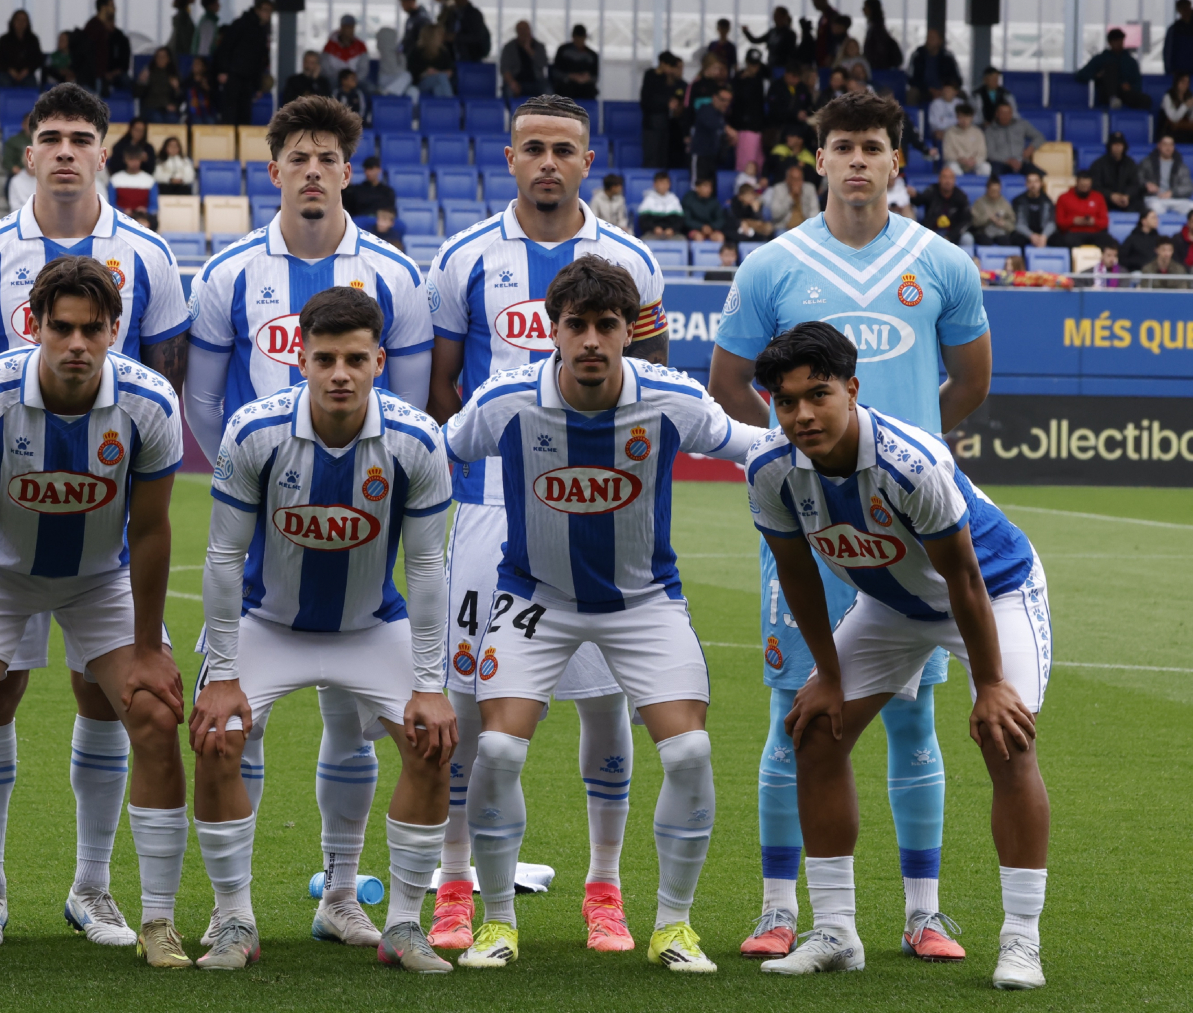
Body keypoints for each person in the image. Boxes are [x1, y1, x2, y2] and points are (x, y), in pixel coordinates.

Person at [710, 89, 993, 967]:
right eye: (843, 146)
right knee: (793, 717)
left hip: (908, 533)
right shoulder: (772, 266)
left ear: (897, 161)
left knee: (915, 725)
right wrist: (795, 469)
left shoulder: (942, 262)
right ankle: (781, 907)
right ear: (819, 160)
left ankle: (924, 913)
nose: (859, 159)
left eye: (874, 145)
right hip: (812, 531)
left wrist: (905, 460)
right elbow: (728, 384)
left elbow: (971, 384)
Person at [442, 254, 762, 972]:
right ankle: (497, 922)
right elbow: (438, 453)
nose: (591, 340)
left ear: (628, 332)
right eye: (576, 325)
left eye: (606, 325)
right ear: (551, 331)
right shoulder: (508, 399)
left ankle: (673, 926)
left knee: (688, 751)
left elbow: (753, 446)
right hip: (534, 601)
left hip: (642, 603)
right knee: (495, 748)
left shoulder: (671, 399)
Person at [0, 91, 187, 953]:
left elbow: (165, 386)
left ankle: (96, 889)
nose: (68, 152)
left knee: (124, 702)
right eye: (52, 138)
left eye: (84, 138)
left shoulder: (150, 257)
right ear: (29, 151)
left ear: (107, 149)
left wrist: (151, 637)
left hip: (101, 554)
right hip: (3, 551)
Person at [183, 96, 433, 955]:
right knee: (231, 720)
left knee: (354, 723)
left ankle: (342, 891)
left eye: (330, 156)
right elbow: (206, 399)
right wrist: (259, 479)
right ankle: (233, 910)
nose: (315, 169)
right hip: (265, 506)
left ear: (349, 169)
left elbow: (411, 402)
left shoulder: (396, 274)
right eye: (300, 156)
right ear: (275, 168)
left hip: (364, 521)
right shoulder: (227, 272)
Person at [424, 93, 669, 957]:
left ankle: (604, 886)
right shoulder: (462, 259)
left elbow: (654, 386)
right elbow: (445, 387)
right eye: (533, 147)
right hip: (492, 509)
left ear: (588, 158)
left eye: (564, 148)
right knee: (465, 700)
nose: (548, 163)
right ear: (510, 156)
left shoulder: (632, 259)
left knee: (605, 705)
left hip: (601, 510)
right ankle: (456, 883)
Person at [744, 321, 1051, 992]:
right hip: (891, 605)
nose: (801, 414)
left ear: (852, 390)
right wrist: (826, 675)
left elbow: (964, 577)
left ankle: (1021, 940)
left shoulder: (911, 459)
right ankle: (835, 930)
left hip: (993, 592)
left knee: (1009, 740)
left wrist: (991, 682)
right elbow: (796, 572)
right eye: (785, 400)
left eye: (817, 394)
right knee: (814, 732)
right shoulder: (770, 470)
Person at [191, 285, 456, 973]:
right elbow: (221, 558)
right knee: (216, 736)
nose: (341, 373)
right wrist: (221, 676)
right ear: (300, 359)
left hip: (371, 625)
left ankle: (402, 924)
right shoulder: (254, 431)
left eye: (356, 359)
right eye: (326, 358)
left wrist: (430, 684)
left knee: (431, 743)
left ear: (380, 361)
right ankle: (233, 918)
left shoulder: (416, 438)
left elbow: (428, 567)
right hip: (268, 622)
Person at [218, 0, 273, 125]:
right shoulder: (241, 25)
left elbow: (260, 61)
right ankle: (229, 141)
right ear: (257, 10)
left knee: (245, 112)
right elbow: (226, 48)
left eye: (270, 11)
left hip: (248, 78)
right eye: (265, 10)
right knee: (230, 112)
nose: (268, 14)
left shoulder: (262, 31)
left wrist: (258, 84)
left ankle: (241, 142)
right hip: (233, 75)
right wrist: (223, 70)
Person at [1077, 28, 1149, 110]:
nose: (1118, 43)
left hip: (1125, 93)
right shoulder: (1101, 59)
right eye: (1116, 41)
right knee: (1110, 67)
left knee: (1146, 100)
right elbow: (1080, 75)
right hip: (1107, 94)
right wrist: (1097, 76)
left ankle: (1138, 121)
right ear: (1110, 43)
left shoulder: (1131, 62)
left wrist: (1130, 87)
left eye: (1120, 41)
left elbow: (1137, 81)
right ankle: (1113, 98)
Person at [641, 51, 686, 168]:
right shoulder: (650, 76)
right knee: (652, 155)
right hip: (652, 123)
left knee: (662, 157)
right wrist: (667, 103)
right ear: (662, 63)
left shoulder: (671, 80)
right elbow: (646, 100)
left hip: (666, 123)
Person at [983, 102, 1045, 177]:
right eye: (1002, 113)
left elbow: (1039, 137)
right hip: (1001, 163)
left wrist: (1030, 149)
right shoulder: (990, 130)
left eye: (1008, 113)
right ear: (997, 114)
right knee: (994, 176)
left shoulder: (1022, 124)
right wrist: (1008, 161)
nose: (1006, 116)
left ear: (1012, 114)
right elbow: (990, 153)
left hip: (1021, 162)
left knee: (1042, 176)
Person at [732, 51, 770, 171]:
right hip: (745, 128)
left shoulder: (760, 76)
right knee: (746, 166)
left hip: (759, 127)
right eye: (752, 64)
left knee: (759, 164)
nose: (755, 68)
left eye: (757, 65)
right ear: (747, 63)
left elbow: (769, 71)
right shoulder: (739, 79)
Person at [1090, 132, 1146, 212]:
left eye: (1120, 145)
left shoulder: (1130, 163)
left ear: (1124, 147)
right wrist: (1111, 195)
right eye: (1115, 144)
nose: (1117, 147)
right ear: (1110, 146)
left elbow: (1135, 184)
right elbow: (1095, 186)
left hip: (1126, 200)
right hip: (1106, 200)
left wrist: (1127, 195)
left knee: (1140, 204)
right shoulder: (1099, 164)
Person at [691, 85, 739, 179]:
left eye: (728, 101)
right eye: (723, 100)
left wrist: (728, 140)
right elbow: (712, 123)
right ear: (714, 97)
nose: (726, 103)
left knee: (711, 190)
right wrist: (728, 129)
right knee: (699, 187)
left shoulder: (720, 115)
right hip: (701, 157)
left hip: (713, 158)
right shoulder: (705, 109)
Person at [1139, 134, 1193, 214]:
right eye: (1165, 144)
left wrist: (1172, 192)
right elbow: (1137, 178)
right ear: (1159, 145)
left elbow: (1188, 188)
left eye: (1171, 145)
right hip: (1154, 198)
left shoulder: (1180, 166)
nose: (1168, 148)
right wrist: (1146, 184)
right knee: (1156, 208)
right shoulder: (1148, 163)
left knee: (1191, 207)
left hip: (1175, 198)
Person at [917, 165, 970, 244]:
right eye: (945, 177)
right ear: (939, 179)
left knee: (967, 239)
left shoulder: (961, 197)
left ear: (954, 180)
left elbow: (966, 220)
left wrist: (950, 236)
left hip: (952, 234)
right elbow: (919, 201)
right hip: (932, 232)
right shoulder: (932, 191)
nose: (947, 181)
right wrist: (914, 196)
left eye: (950, 178)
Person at [906, 28, 961, 104]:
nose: (929, 41)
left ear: (940, 41)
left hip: (944, 90)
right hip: (924, 91)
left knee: (962, 95)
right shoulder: (917, 55)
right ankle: (911, 115)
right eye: (928, 38)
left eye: (933, 38)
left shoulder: (948, 57)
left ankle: (961, 115)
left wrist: (944, 89)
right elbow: (910, 78)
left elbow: (957, 79)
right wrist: (928, 89)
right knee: (912, 93)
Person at [499, 19, 550, 99]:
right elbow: (504, 68)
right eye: (520, 29)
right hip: (517, 80)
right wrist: (512, 83)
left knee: (548, 91)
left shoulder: (539, 46)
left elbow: (543, 63)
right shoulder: (509, 48)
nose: (523, 32)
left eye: (525, 29)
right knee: (508, 91)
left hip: (536, 82)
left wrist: (529, 49)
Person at [0, 9, 44, 88]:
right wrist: (10, 70)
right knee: (5, 83)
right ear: (13, 21)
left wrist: (27, 71)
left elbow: (37, 59)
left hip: (27, 75)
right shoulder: (4, 39)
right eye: (18, 20)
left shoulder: (33, 40)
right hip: (7, 74)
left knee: (31, 85)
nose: (21, 23)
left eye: (24, 20)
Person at [937, 103, 990, 176]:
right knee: (953, 168)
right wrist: (960, 160)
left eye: (967, 117)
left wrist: (974, 160)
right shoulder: (949, 132)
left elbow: (982, 153)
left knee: (986, 167)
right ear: (957, 117)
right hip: (956, 162)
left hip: (973, 163)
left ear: (971, 118)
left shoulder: (978, 132)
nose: (964, 120)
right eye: (962, 117)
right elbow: (947, 154)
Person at [551, 23, 600, 99]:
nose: (579, 41)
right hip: (566, 85)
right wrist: (570, 76)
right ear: (573, 37)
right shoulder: (563, 51)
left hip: (586, 87)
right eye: (577, 39)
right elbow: (555, 72)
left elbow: (595, 76)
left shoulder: (592, 55)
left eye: (581, 39)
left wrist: (587, 78)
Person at [322, 13, 370, 89]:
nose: (349, 30)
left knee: (368, 87)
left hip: (355, 81)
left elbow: (363, 70)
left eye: (351, 27)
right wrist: (341, 79)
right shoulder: (330, 45)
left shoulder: (360, 46)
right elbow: (325, 68)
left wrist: (352, 79)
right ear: (341, 27)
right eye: (346, 27)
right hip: (334, 81)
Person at [138, 47, 184, 123]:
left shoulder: (174, 74)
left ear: (168, 59)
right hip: (151, 107)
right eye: (158, 56)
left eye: (163, 57)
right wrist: (141, 82)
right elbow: (137, 94)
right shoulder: (149, 72)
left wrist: (177, 89)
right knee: (157, 119)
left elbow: (180, 98)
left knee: (173, 119)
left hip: (168, 109)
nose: (160, 59)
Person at [409, 23, 455, 98]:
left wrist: (436, 73)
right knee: (441, 77)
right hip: (421, 84)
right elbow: (412, 72)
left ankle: (441, 108)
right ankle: (451, 103)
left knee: (438, 87)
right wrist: (425, 73)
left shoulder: (443, 52)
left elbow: (450, 71)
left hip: (439, 81)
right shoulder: (416, 52)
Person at [767, 164, 819, 230]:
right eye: (794, 179)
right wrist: (791, 197)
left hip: (805, 228)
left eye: (799, 179)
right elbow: (775, 214)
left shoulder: (809, 189)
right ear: (787, 180)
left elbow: (814, 213)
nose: (797, 182)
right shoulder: (779, 189)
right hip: (784, 228)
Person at [970, 176, 1018, 245]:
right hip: (983, 232)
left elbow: (1013, 225)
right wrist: (988, 219)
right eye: (992, 191)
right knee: (985, 241)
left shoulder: (1005, 204)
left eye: (997, 191)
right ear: (987, 189)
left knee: (1006, 241)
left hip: (1001, 232)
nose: (995, 193)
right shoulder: (979, 203)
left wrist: (1003, 223)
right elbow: (974, 223)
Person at [637, 171, 686, 237]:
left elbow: (680, 220)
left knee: (682, 240)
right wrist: (654, 228)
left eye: (666, 183)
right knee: (644, 242)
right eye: (661, 183)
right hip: (653, 233)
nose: (664, 186)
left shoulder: (674, 199)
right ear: (655, 184)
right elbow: (643, 221)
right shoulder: (648, 199)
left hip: (671, 234)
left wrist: (672, 229)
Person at [109, 148, 156, 215]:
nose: (134, 162)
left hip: (143, 217)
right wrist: (122, 210)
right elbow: (111, 204)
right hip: (121, 216)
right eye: (131, 159)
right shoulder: (115, 179)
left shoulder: (150, 180)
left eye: (137, 159)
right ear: (125, 160)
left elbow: (154, 207)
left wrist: (146, 210)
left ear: (141, 160)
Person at [861, 0, 903, 70]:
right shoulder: (876, 27)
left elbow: (878, 52)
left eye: (865, 7)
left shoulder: (876, 29)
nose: (863, 10)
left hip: (878, 69)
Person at [1161, 73, 1193, 142]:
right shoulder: (1168, 96)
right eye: (1183, 81)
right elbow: (1173, 118)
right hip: (1170, 130)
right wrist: (1185, 105)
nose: (1186, 84)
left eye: (1187, 82)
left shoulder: (1189, 96)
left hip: (1186, 129)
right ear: (1177, 82)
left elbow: (1191, 118)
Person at [1169, 0, 1193, 78]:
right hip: (1179, 71)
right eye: (1183, 9)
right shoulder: (1175, 29)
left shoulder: (1175, 29)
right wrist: (1170, 70)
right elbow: (1169, 51)